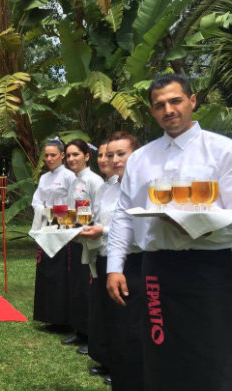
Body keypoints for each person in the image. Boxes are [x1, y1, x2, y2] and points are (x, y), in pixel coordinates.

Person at [106, 74, 232, 391]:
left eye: (175, 100)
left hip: (208, 268)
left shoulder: (228, 152)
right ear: (152, 111)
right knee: (160, 353)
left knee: (212, 355)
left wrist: (207, 224)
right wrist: (114, 266)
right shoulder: (141, 159)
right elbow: (122, 214)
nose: (168, 109)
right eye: (159, 104)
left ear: (192, 101)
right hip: (156, 269)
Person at [82, 132, 142, 389]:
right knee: (114, 323)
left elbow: (137, 229)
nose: (114, 159)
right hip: (106, 256)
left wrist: (103, 231)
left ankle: (131, 373)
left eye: (121, 154)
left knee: (129, 325)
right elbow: (105, 220)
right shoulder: (110, 188)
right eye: (109, 154)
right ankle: (118, 370)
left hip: (134, 261)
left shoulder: (141, 185)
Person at [62, 139, 104, 354]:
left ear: (87, 156)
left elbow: (98, 211)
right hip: (75, 237)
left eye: (76, 154)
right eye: (68, 155)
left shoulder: (94, 181)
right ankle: (79, 329)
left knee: (88, 289)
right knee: (77, 287)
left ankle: (91, 335)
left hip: (89, 239)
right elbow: (71, 209)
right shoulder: (74, 180)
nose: (71, 159)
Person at [31, 138, 75, 328]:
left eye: (53, 155)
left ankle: (62, 318)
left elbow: (74, 202)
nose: (49, 159)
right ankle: (47, 315)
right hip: (46, 225)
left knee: (60, 272)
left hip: (64, 226)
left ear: (62, 156)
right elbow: (37, 200)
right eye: (46, 155)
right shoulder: (43, 178)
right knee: (46, 270)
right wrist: (43, 210)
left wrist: (56, 212)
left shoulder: (69, 177)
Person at [84, 139, 116, 381]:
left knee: (119, 314)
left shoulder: (127, 186)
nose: (106, 160)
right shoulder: (105, 187)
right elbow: (97, 217)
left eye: (113, 155)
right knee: (104, 311)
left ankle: (120, 367)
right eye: (103, 155)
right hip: (101, 252)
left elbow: (124, 224)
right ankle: (107, 360)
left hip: (121, 255)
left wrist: (101, 230)